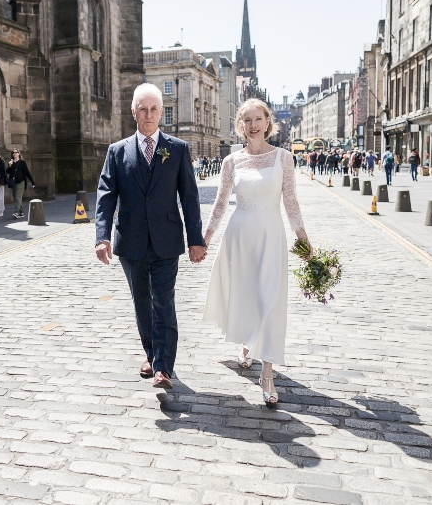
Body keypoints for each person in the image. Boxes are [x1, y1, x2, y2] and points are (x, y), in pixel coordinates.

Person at [94, 83, 206, 389]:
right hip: (130, 242)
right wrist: (101, 236)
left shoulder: (178, 149)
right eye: (142, 109)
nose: (148, 115)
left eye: (154, 109)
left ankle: (163, 367)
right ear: (133, 112)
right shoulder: (117, 152)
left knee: (163, 302)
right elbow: (106, 196)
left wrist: (196, 239)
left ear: (162, 112)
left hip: (167, 239)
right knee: (141, 302)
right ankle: (152, 353)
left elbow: (190, 198)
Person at [202, 98, 310, 407]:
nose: (253, 124)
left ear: (267, 121)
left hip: (270, 236)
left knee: (269, 300)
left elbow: (290, 202)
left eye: (257, 118)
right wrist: (205, 238)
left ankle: (267, 373)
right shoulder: (231, 162)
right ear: (240, 126)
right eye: (246, 120)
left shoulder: (284, 159)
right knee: (248, 297)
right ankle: (248, 346)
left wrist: (303, 240)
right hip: (240, 237)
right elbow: (221, 203)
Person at [6, 150, 35, 219]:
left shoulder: (22, 162)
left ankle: (16, 212)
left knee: (17, 197)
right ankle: (22, 212)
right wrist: (9, 166)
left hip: (21, 182)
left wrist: (32, 182)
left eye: (16, 152)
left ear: (19, 153)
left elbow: (27, 172)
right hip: (13, 183)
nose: (14, 154)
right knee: (16, 198)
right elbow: (7, 172)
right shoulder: (11, 162)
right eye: (13, 152)